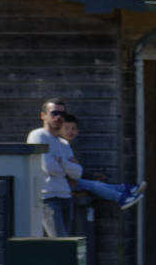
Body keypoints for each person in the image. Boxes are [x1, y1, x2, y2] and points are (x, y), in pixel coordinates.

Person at [51, 114, 143, 219]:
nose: (70, 131)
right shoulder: (60, 145)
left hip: (71, 180)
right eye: (66, 128)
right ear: (59, 130)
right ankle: (122, 198)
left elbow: (76, 168)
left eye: (73, 129)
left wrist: (91, 175)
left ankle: (125, 190)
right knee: (94, 185)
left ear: (78, 132)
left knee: (96, 184)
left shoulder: (67, 146)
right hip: (64, 183)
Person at [27, 99, 74, 238]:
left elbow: (77, 173)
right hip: (48, 197)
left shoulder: (63, 142)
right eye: (54, 113)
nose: (58, 117)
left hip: (66, 195)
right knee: (59, 242)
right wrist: (66, 166)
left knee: (67, 241)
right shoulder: (38, 135)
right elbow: (49, 167)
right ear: (43, 115)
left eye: (62, 114)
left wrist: (62, 163)